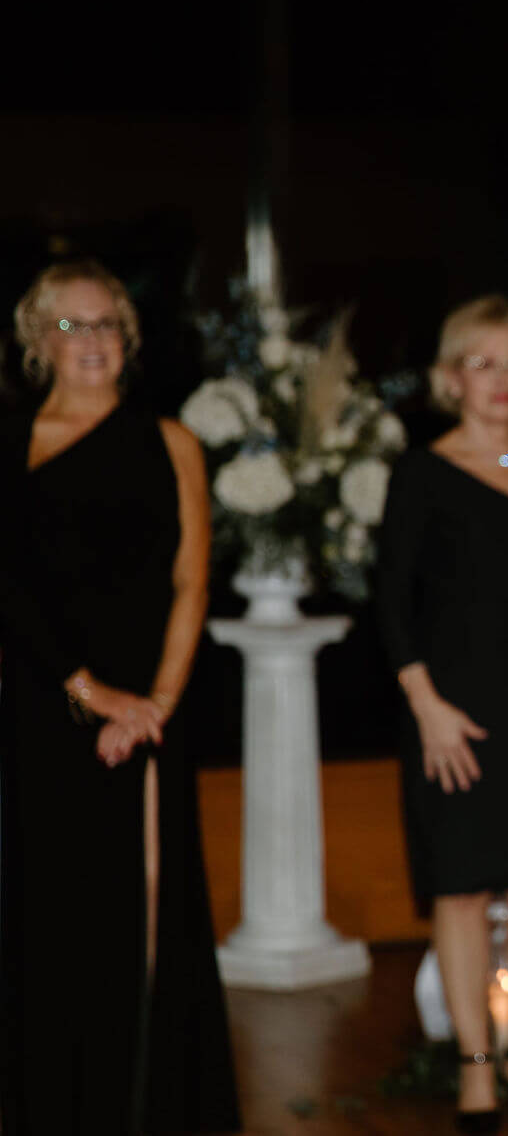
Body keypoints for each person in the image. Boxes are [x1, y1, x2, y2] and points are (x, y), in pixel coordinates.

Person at [0, 259, 240, 1133]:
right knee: (47, 918)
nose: (92, 341)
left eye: (107, 325)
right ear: (38, 340)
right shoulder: (13, 442)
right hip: (39, 707)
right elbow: (11, 592)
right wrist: (89, 691)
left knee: (142, 915)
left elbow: (191, 582)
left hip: (145, 713)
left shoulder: (170, 440)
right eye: (72, 325)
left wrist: (155, 704)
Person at [377, 295, 508, 1132]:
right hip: (446, 718)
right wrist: (427, 708)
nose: (503, 380)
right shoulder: (420, 473)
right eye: (484, 362)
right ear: (452, 376)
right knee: (458, 894)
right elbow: (390, 605)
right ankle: (473, 1067)